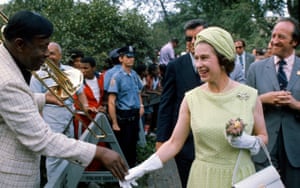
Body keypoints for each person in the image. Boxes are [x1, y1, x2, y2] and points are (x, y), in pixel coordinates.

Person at [120, 26, 268, 188]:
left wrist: (250, 142)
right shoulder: (191, 99)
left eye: (204, 58)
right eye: (196, 58)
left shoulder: (249, 96)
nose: (198, 64)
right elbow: (174, 143)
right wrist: (140, 169)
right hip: (204, 178)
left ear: (223, 58)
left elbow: (263, 136)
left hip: (241, 176)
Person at [0, 10, 127, 187]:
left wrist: (43, 98)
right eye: (43, 47)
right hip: (12, 177)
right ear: (20, 44)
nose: (46, 54)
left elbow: (7, 105)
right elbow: (41, 139)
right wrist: (98, 152)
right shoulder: (8, 81)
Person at [247, 17, 300, 188]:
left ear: (295, 41)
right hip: (265, 150)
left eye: (281, 37)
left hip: (296, 151)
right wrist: (262, 100)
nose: (274, 41)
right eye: (273, 35)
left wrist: (296, 104)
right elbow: (243, 107)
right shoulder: (256, 69)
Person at [155, 18, 207, 187]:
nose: (192, 42)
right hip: (185, 141)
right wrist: (161, 138)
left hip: (212, 139)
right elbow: (166, 103)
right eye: (189, 38)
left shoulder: (218, 65)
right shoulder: (175, 66)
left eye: (197, 37)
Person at [30, 41, 91, 183]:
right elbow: (35, 101)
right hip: (50, 121)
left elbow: (80, 93)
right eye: (47, 53)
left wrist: (86, 107)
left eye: (52, 53)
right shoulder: (38, 75)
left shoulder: (72, 72)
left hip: (69, 119)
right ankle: (54, 184)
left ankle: (68, 183)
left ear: (60, 55)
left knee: (70, 153)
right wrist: (40, 124)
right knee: (54, 157)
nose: (48, 56)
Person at [107, 45, 144, 168]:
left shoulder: (134, 75)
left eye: (132, 57)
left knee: (133, 145)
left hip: (134, 114)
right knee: (124, 147)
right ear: (121, 59)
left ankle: (132, 171)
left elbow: (138, 91)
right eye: (128, 57)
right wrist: (114, 122)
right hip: (124, 116)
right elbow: (111, 101)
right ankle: (122, 175)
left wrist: (141, 105)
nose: (131, 59)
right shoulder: (117, 77)